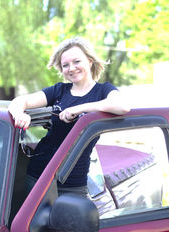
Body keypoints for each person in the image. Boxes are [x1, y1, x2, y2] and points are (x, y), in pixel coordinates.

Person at [8, 36, 130, 197]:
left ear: (90, 61)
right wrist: (19, 114)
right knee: (33, 223)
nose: (71, 68)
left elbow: (123, 106)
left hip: (73, 183)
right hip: (39, 176)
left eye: (77, 61)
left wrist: (79, 109)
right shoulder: (59, 90)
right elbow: (19, 101)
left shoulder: (103, 91)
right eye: (65, 65)